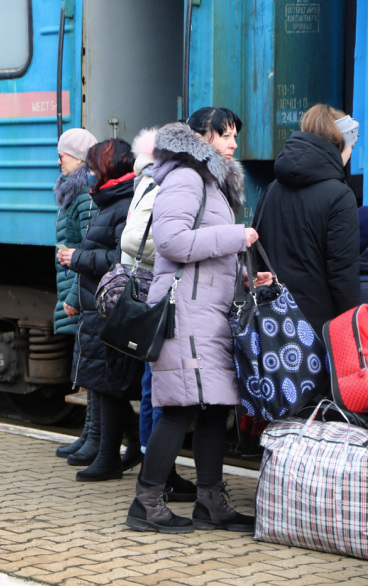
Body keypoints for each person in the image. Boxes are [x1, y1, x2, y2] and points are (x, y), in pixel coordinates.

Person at [125, 108, 270, 534]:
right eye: (225, 134)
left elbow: (208, 257)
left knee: (215, 410)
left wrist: (246, 275)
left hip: (209, 315)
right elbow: (171, 241)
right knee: (180, 407)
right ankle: (146, 502)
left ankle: (210, 502)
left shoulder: (214, 183)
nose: (233, 143)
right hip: (185, 316)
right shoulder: (186, 178)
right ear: (201, 136)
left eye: (235, 135)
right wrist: (235, 236)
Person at [120, 128, 196, 502]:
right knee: (155, 386)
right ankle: (157, 474)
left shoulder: (149, 176)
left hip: (157, 287)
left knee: (154, 384)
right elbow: (136, 240)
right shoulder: (158, 180)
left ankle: (159, 470)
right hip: (159, 289)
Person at [64, 138, 142, 482]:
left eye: (94, 164)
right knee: (103, 383)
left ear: (108, 167)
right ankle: (123, 447)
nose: (90, 171)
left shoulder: (122, 204)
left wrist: (76, 258)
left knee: (110, 384)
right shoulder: (111, 200)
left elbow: (121, 259)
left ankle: (110, 456)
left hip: (110, 305)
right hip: (98, 306)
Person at [253, 104, 361, 335]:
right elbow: (343, 274)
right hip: (318, 329)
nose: (351, 153)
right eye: (351, 146)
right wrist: (353, 331)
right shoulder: (339, 196)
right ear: (341, 144)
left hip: (271, 323)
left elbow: (257, 252)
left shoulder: (272, 188)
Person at [51, 128, 98, 461]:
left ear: (79, 157)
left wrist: (74, 295)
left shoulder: (84, 193)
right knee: (86, 363)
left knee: (91, 366)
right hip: (73, 283)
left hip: (79, 287)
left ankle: (94, 437)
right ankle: (89, 434)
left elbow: (86, 246)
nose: (59, 160)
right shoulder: (75, 189)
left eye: (63, 154)